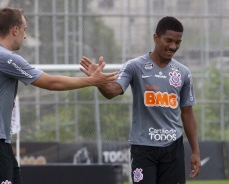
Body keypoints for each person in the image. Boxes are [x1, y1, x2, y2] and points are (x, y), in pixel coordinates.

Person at [0, 7, 118, 184]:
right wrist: (92, 81)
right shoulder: (5, 57)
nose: (25, 35)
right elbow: (51, 83)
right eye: (24, 29)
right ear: (15, 30)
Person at [80, 16, 201, 184]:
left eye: (177, 42)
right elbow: (112, 91)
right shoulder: (134, 66)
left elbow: (187, 113)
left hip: (173, 147)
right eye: (168, 40)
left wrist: (195, 151)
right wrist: (98, 81)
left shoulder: (183, 72)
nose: (173, 46)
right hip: (143, 148)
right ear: (155, 38)